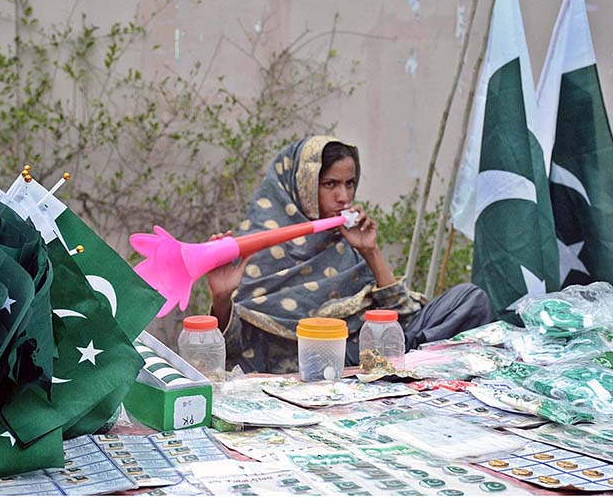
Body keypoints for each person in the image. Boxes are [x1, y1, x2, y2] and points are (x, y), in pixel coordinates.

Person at [207, 135, 495, 374]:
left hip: (377, 357)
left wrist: (370, 251)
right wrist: (221, 299)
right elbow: (234, 351)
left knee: (470, 298)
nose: (343, 197)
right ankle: (411, 368)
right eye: (330, 184)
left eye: (350, 184)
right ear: (303, 186)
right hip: (312, 372)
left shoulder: (346, 243)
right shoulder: (257, 247)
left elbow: (403, 319)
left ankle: (410, 369)